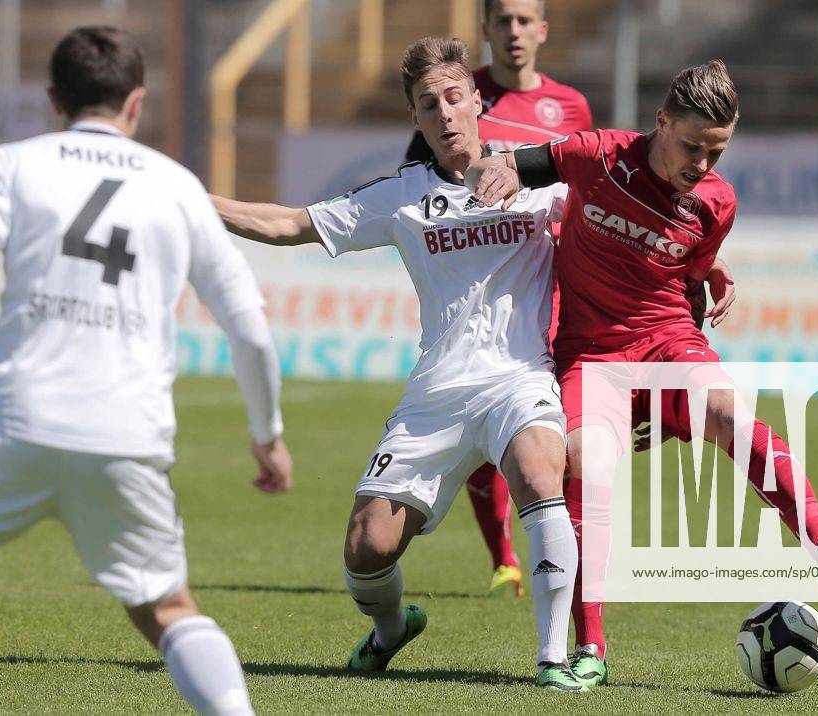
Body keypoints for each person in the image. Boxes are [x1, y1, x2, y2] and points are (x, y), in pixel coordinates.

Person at [468, 59, 818, 688]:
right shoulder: (598, 157)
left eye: (716, 151)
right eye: (692, 146)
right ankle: (591, 649)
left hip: (667, 339)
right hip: (590, 351)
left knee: (732, 416)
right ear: (661, 122)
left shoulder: (716, 202)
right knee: (587, 467)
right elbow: (521, 164)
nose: (703, 165)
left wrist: (672, 398)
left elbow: (688, 283)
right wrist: (491, 169)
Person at [211, 37, 590, 692]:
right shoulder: (402, 194)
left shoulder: (536, 179)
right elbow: (286, 224)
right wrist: (194, 205)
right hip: (436, 395)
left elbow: (617, 210)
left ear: (476, 100)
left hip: (518, 377)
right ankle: (390, 630)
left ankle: (554, 659)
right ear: (415, 118)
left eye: (452, 98)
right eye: (427, 104)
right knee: (367, 548)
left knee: (537, 471)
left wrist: (704, 266)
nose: (444, 113)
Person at [0, 27, 293, 716]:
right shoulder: (177, 186)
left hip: (11, 419)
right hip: (125, 434)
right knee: (165, 607)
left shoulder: (14, 165)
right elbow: (250, 328)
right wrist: (267, 433)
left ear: (54, 99)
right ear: (137, 103)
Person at [405, 0, 593, 599]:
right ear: (485, 30)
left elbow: (586, 180)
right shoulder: (455, 95)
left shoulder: (571, 106)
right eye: (501, 21)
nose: (512, 32)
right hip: (483, 295)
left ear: (542, 29)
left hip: (553, 282)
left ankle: (566, 565)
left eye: (522, 20)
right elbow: (421, 191)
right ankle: (505, 558)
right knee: (489, 428)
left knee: (553, 437)